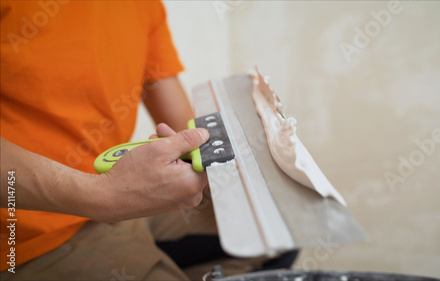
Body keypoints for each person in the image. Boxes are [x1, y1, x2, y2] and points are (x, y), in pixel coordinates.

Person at [0, 1, 297, 280]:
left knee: (281, 230)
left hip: (117, 199)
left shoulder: (143, 5)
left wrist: (246, 142)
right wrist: (101, 196)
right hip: (25, 234)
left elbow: (184, 126)